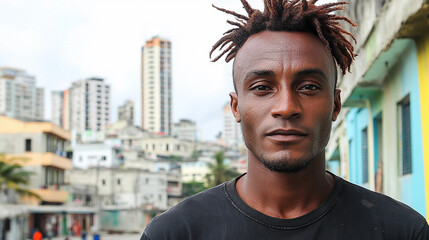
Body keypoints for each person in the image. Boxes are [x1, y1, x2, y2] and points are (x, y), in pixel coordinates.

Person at [141, 0, 429, 239]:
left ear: (336, 104)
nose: (286, 107)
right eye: (263, 88)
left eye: (308, 87)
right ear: (236, 107)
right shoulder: (175, 233)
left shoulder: (402, 231)